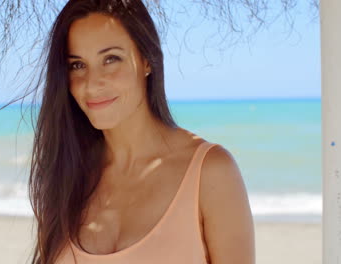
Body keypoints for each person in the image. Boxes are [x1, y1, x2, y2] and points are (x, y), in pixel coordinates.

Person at [27, 0, 255, 263]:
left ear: (147, 60)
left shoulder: (211, 173)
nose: (91, 83)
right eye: (78, 65)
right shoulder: (66, 176)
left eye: (111, 59)